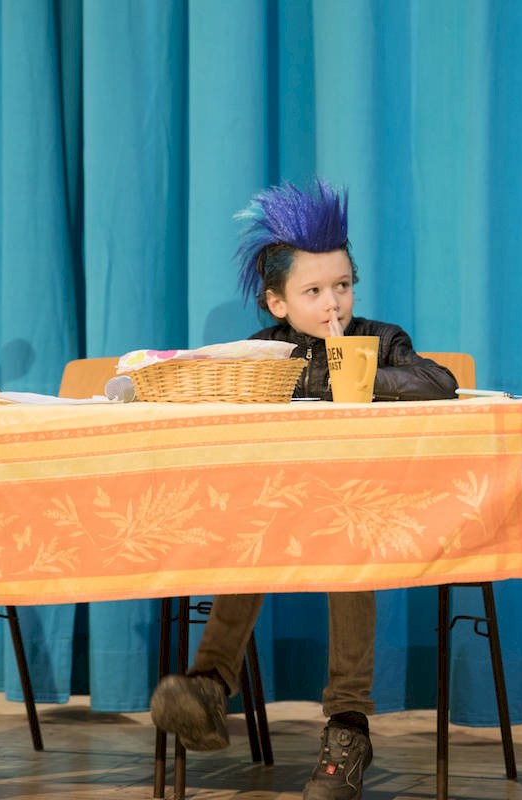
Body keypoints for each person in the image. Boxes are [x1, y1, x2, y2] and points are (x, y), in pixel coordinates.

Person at [150, 178, 457, 800]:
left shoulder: (382, 338)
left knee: (349, 544)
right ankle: (208, 686)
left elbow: (440, 382)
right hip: (280, 503)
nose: (332, 303)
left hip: (364, 504)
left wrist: (348, 374)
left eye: (342, 286)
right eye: (313, 292)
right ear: (277, 303)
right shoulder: (260, 352)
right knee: (252, 532)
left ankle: (348, 723)